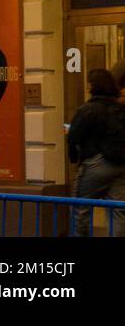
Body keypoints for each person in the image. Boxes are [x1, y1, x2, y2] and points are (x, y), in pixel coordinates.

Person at [66, 69, 125, 237]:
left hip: (96, 162)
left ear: (93, 86)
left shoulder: (89, 109)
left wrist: (74, 156)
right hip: (120, 164)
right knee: (119, 211)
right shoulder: (120, 109)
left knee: (81, 208)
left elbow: (74, 136)